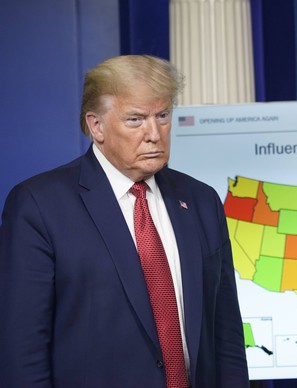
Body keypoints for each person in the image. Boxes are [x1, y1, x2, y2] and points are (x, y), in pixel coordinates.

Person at [0, 55, 249, 387]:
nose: (154, 134)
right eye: (135, 119)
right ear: (96, 126)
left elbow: (226, 337)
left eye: (162, 116)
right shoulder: (38, 206)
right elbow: (23, 354)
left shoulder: (202, 201)